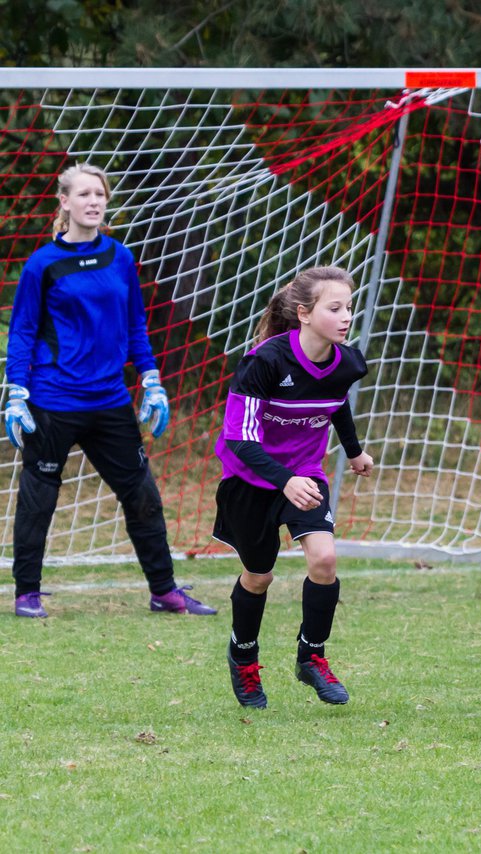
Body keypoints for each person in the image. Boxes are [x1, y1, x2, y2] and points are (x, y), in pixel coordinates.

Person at [4, 163, 215, 619]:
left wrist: (152, 379)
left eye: (99, 194)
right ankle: (26, 594)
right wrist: (16, 391)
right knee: (38, 497)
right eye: (83, 194)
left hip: (109, 401)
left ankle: (164, 591)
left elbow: (135, 323)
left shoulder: (120, 256)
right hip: (53, 399)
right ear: (64, 202)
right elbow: (22, 332)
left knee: (142, 494)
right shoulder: (42, 264)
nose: (94, 202)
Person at [212, 266, 374, 709]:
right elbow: (240, 439)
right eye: (334, 308)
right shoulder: (264, 362)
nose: (345, 317)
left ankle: (311, 656)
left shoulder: (349, 361)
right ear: (304, 313)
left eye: (348, 307)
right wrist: (284, 481)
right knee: (259, 576)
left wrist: (354, 451)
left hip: (305, 472)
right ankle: (243, 658)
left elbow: (335, 401)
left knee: (324, 558)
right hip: (252, 478)